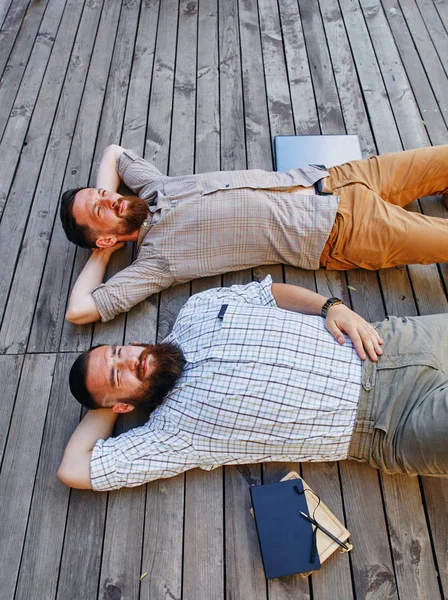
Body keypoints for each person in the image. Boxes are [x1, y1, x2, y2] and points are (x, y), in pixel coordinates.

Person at [57, 276, 448, 491]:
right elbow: (74, 470)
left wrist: (332, 307)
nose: (129, 359)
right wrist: (101, 406)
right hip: (392, 423)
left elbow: (269, 293)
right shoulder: (171, 436)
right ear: (120, 406)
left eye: (118, 351)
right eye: (116, 375)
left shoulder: (197, 309)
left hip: (392, 341)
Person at [59, 144, 448, 325]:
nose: (111, 199)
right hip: (345, 232)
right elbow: (79, 311)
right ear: (104, 238)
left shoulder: (154, 187)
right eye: (100, 210)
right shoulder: (156, 263)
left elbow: (113, 153)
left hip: (339, 176)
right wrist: (103, 254)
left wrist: (102, 205)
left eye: (104, 193)